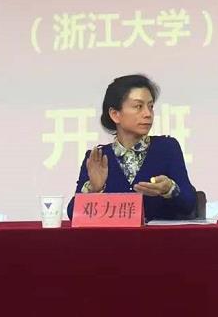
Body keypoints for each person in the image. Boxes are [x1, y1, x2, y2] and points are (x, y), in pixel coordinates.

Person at [67, 74, 197, 221]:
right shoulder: (98, 157)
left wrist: (169, 189)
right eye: (138, 106)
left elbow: (189, 204)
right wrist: (93, 189)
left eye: (150, 106)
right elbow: (73, 214)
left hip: (158, 235)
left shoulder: (167, 148)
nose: (148, 114)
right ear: (115, 114)